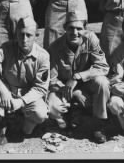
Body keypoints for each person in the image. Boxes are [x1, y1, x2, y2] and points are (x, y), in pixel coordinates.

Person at [0, 16, 49, 145]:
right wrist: (1, 88)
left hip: (27, 95)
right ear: (16, 34)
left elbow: (40, 88)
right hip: (7, 92)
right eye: (21, 34)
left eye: (29, 35)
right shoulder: (6, 48)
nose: (24, 39)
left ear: (36, 35)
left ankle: (25, 127)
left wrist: (21, 102)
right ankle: (0, 124)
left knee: (41, 113)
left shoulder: (43, 56)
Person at [47, 10, 110, 143]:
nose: (75, 32)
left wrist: (77, 77)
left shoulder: (91, 39)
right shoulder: (55, 47)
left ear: (84, 29)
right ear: (64, 28)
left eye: (79, 28)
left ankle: (98, 125)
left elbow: (103, 67)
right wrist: (74, 92)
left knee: (102, 83)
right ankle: (65, 119)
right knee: (52, 106)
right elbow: (51, 79)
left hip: (86, 84)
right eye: (71, 28)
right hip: (64, 89)